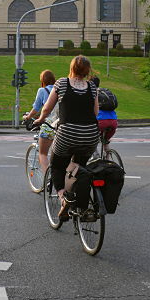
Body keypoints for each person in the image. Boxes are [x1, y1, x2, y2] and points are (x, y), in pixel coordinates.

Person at [35, 55, 99, 221]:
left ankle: (64, 199)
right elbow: (95, 113)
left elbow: (47, 108)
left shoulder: (61, 83)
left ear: (72, 68)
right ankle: (78, 199)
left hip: (67, 134)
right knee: (77, 167)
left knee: (56, 165)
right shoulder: (92, 87)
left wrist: (39, 120)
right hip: (91, 135)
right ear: (87, 70)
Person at [22, 70, 57, 174]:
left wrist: (28, 117)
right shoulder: (58, 89)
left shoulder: (42, 91)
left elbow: (36, 108)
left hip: (49, 124)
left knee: (43, 154)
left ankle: (48, 179)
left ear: (43, 80)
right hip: (61, 125)